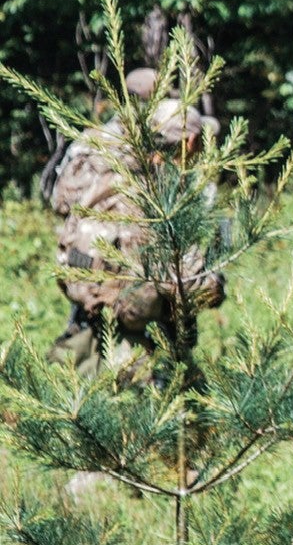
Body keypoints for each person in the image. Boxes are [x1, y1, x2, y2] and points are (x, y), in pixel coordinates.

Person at [48, 66, 222, 374]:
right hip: (138, 315)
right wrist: (214, 283)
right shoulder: (156, 176)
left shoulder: (92, 142)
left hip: (88, 281)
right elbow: (184, 279)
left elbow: (60, 199)